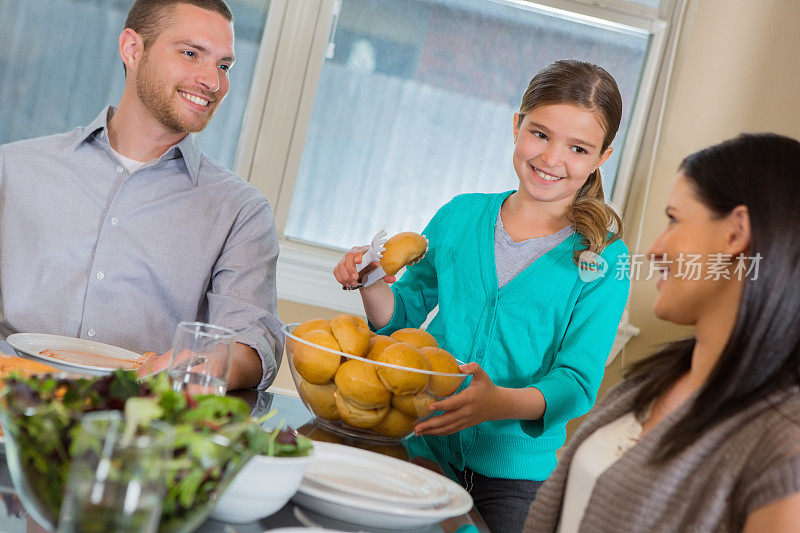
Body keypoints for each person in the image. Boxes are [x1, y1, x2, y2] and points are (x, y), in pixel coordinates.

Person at [333, 60, 631, 532]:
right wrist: (369, 279)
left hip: (512, 480)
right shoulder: (460, 216)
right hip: (421, 444)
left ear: (602, 157)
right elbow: (401, 317)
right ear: (516, 126)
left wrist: (499, 404)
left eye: (578, 148)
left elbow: (575, 383)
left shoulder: (604, 260)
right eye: (540, 134)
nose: (552, 158)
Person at [0, 0, 283, 391]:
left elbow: (254, 341)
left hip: (142, 427)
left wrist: (214, 362)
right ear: (132, 49)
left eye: (223, 65)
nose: (213, 82)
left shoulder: (242, 212)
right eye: (191, 53)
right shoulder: (12, 168)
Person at [525, 133, 800, 532]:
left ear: (736, 233)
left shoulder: (783, 444)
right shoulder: (648, 385)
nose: (654, 250)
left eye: (674, 219)